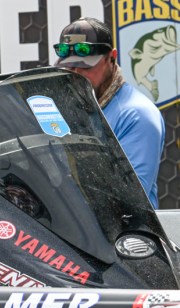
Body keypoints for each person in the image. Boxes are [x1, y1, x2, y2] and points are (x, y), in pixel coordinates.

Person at [54, 17, 165, 208]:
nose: (76, 73)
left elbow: (131, 199)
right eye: (70, 66)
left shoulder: (137, 115)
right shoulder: (69, 106)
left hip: (124, 226)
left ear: (111, 57)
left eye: (86, 65)